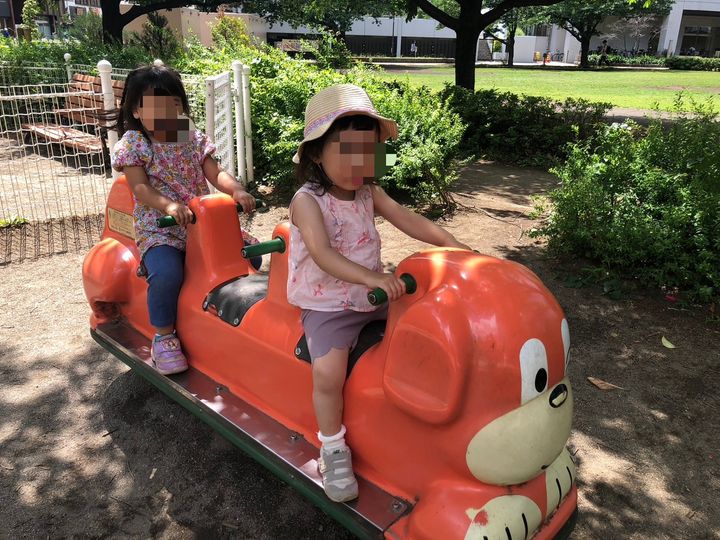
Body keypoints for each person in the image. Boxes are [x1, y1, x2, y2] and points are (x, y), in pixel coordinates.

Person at [288, 84, 471, 502]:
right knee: (328, 375)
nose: (360, 162)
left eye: (368, 151)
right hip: (329, 304)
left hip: (371, 298)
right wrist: (371, 278)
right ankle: (332, 447)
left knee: (421, 333)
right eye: (347, 151)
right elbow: (322, 253)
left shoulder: (370, 192)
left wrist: (453, 245)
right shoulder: (307, 201)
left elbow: (407, 218)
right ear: (316, 154)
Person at [110, 64, 260, 375]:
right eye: (156, 106)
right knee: (167, 274)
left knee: (249, 257)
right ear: (136, 110)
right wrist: (168, 205)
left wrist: (236, 190)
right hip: (161, 228)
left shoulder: (191, 138)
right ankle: (163, 337)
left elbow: (215, 172)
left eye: (174, 104)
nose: (167, 112)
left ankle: (219, 326)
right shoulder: (136, 144)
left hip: (201, 226)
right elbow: (140, 187)